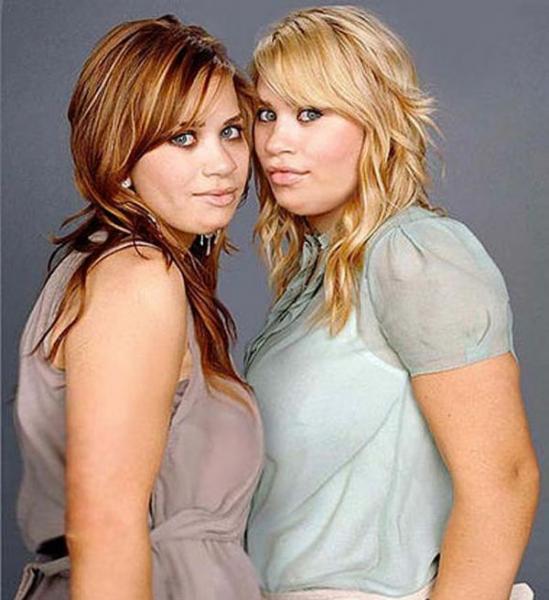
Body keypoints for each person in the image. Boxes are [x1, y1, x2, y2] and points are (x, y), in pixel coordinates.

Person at [243, 6, 539, 600]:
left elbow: (504, 481)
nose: (277, 141)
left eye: (310, 113)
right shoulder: (321, 268)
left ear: (374, 121)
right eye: (266, 114)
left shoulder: (414, 256)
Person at [14, 15, 263, 600]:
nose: (222, 163)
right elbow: (104, 528)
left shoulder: (127, 270)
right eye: (183, 138)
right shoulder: (138, 279)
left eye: (231, 131)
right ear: (120, 157)